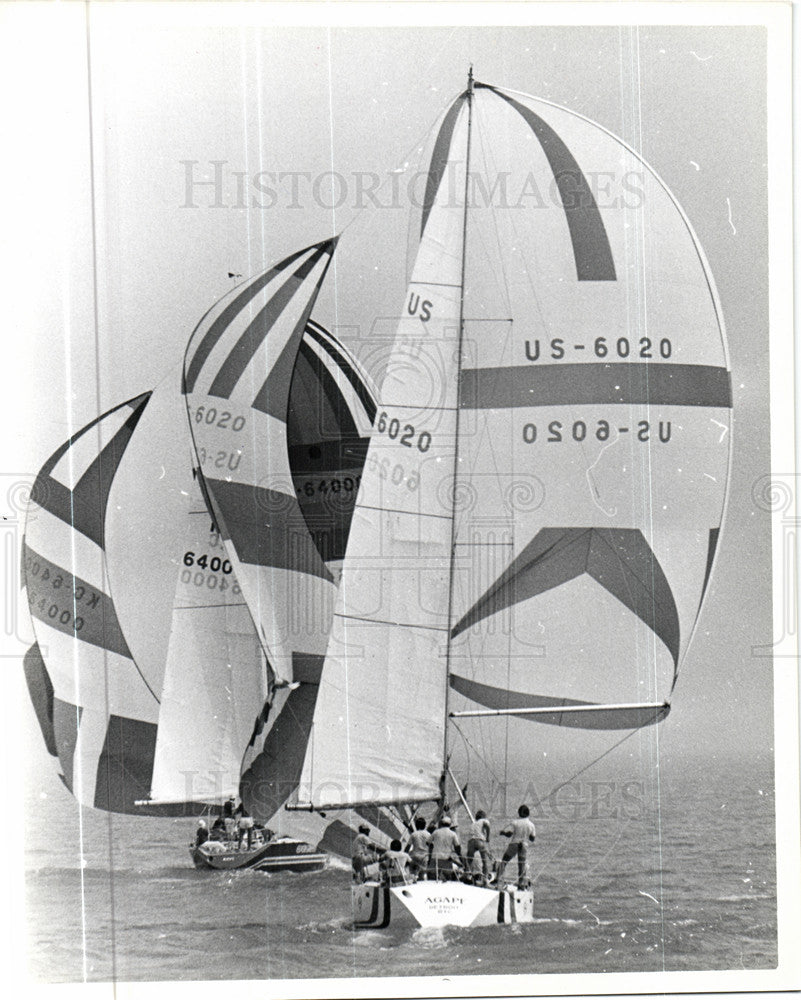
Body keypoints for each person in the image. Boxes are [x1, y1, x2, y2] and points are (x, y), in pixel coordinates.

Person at [497, 804, 536, 886]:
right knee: (521, 864)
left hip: (514, 844)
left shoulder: (515, 822)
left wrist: (503, 833)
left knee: (504, 860)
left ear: (519, 813)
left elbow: (509, 834)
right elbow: (532, 839)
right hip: (524, 845)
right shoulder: (531, 825)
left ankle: (498, 878)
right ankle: (521, 883)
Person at [428, 815, 462, 880]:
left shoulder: (436, 832)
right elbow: (457, 847)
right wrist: (460, 856)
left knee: (432, 877)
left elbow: (428, 843)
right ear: (450, 824)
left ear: (442, 824)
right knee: (448, 877)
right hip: (446, 858)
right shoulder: (453, 834)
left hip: (435, 858)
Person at [465, 810, 492, 884]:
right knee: (484, 861)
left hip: (471, 841)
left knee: (469, 860)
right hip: (479, 840)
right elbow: (487, 826)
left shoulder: (473, 824)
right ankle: (485, 878)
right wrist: (488, 837)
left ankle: (468, 875)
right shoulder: (484, 820)